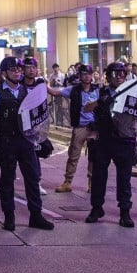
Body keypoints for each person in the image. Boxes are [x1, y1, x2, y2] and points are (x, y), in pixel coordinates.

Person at [0, 56, 54, 231]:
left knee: (32, 179)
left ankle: (36, 215)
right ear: (4, 73)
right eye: (14, 70)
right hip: (6, 143)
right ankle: (9, 217)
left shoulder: (28, 92)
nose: (18, 72)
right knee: (7, 180)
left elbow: (36, 118)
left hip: (26, 142)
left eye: (19, 69)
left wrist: (42, 138)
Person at [84, 62, 136, 227]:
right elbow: (86, 108)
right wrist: (101, 102)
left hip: (125, 139)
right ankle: (96, 208)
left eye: (123, 73)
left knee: (124, 178)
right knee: (99, 176)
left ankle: (125, 212)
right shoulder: (100, 92)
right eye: (116, 74)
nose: (120, 77)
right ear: (108, 76)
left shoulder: (132, 92)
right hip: (104, 138)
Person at [47, 64, 97, 193]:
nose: (87, 77)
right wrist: (45, 84)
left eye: (89, 74)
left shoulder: (97, 90)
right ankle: (68, 182)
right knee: (73, 156)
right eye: (84, 74)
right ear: (79, 76)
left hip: (94, 128)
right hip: (79, 127)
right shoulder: (73, 90)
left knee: (94, 156)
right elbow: (54, 92)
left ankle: (92, 183)